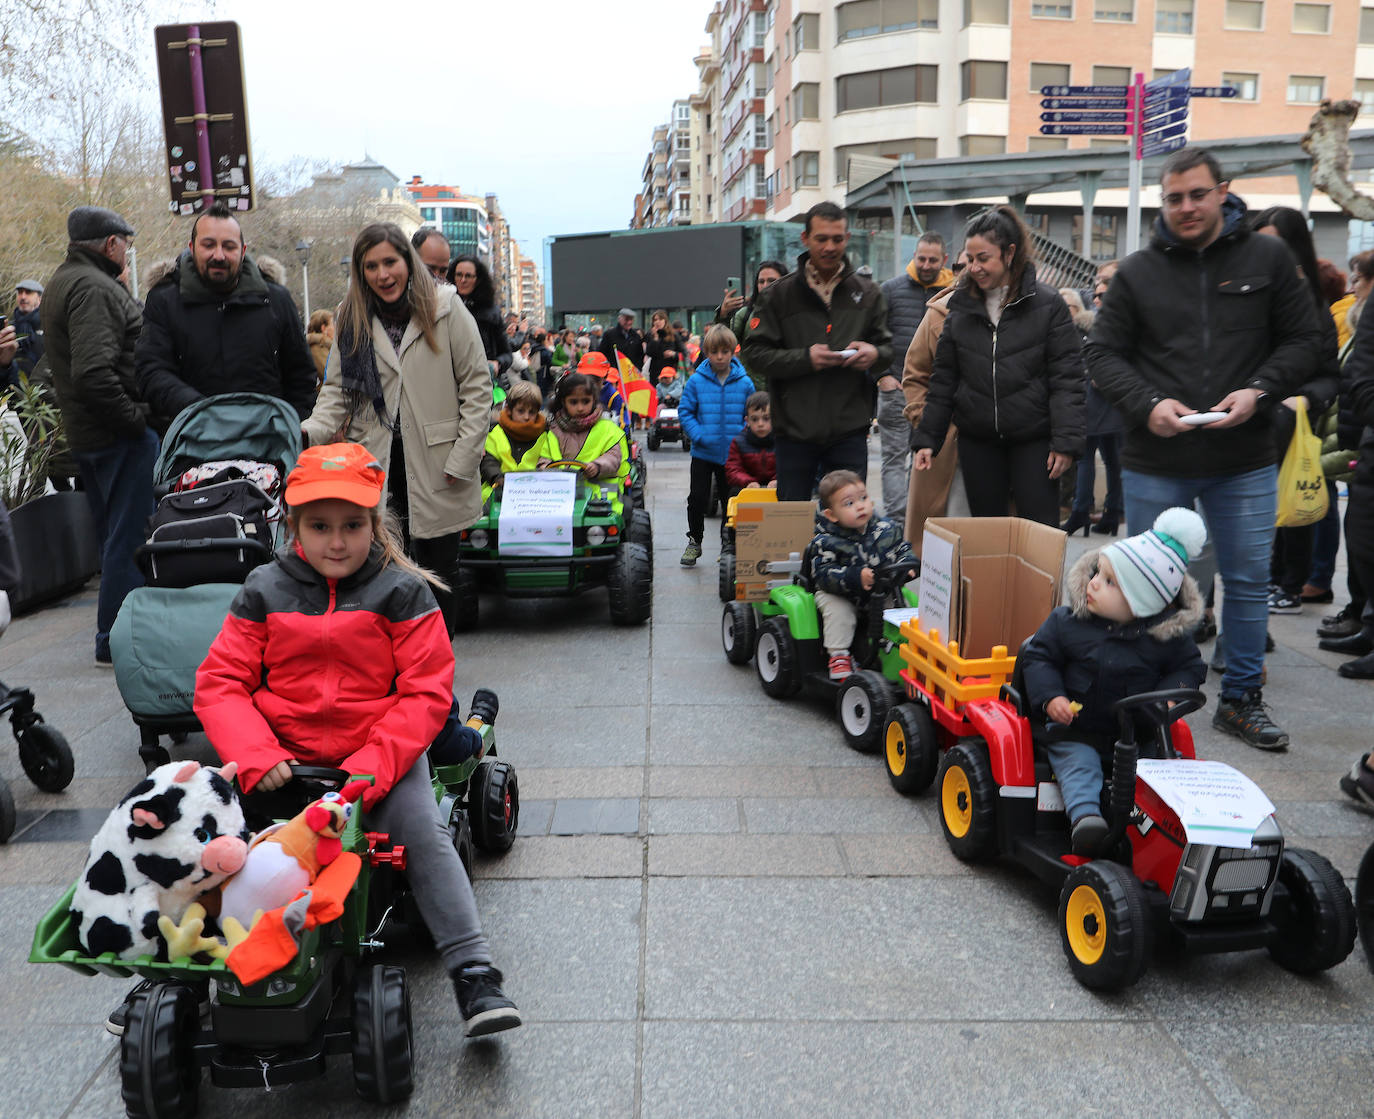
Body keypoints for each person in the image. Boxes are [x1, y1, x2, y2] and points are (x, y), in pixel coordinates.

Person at [194, 441, 521, 1037]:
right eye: (319, 526)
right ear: (293, 525)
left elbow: (425, 694)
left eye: (352, 526)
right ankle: (175, 970)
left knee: (422, 832)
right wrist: (259, 755)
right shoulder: (263, 589)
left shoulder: (402, 592)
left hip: (377, 763)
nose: (336, 542)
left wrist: (372, 766)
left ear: (376, 524)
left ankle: (474, 970)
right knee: (199, 835)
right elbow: (220, 684)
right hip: (281, 764)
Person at [1085, 147, 1322, 750]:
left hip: (1242, 455)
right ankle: (1153, 696)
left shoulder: (1267, 257)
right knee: (1151, 583)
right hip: (1156, 456)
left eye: (1197, 194)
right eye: (1173, 198)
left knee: (1245, 579)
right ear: (1160, 201)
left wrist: (1260, 391)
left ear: (1223, 191)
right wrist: (1148, 405)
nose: (1186, 207)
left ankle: (1241, 698)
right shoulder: (1137, 272)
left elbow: (1305, 340)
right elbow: (1102, 355)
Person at [303, 223, 491, 637]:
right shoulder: (350, 317)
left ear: (408, 261)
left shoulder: (446, 308)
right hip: (375, 465)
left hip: (439, 465)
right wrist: (308, 434)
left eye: (390, 261)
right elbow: (336, 393)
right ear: (360, 270)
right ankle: (394, 669)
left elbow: (478, 390)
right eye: (371, 266)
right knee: (377, 573)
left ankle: (437, 671)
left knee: (438, 574)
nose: (382, 274)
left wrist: (462, 459)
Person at [1020, 508, 1207, 853]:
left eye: (1108, 582)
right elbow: (1039, 657)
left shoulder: (1165, 637)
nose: (1093, 583)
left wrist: (1171, 697)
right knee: (1079, 767)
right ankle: (1086, 819)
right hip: (1078, 729)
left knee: (1163, 770)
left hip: (1140, 733)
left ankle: (1167, 831)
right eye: (1097, 573)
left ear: (1141, 605)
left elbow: (1190, 669)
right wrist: (1051, 698)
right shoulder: (1068, 622)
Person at [911, 205, 1084, 526]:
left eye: (983, 258)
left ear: (1009, 253)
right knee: (986, 532)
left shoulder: (1048, 305)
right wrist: (927, 439)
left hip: (1034, 441)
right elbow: (944, 380)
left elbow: (1068, 378)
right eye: (970, 259)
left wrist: (1066, 442)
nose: (974, 268)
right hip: (979, 442)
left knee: (1038, 531)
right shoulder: (960, 308)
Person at [41, 205, 155, 667]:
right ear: (111, 244)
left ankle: (118, 634)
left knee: (114, 535)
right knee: (129, 535)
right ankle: (116, 638)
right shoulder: (93, 287)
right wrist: (136, 420)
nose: (127, 249)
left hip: (91, 436)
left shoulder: (65, 280)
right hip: (116, 436)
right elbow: (92, 373)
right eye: (124, 241)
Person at [740, 202, 893, 500]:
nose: (829, 247)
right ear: (805, 238)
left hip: (849, 428)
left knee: (849, 520)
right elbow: (754, 354)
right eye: (821, 238)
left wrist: (873, 354)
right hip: (794, 430)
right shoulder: (778, 296)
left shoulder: (869, 294)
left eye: (837, 239)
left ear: (847, 238)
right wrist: (805, 359)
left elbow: (888, 348)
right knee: (792, 520)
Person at [135, 201, 318, 426]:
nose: (219, 255)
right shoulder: (164, 300)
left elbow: (301, 375)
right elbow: (152, 372)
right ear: (192, 248)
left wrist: (286, 427)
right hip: (192, 440)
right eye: (209, 245)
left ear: (242, 251)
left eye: (228, 246)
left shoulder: (277, 299)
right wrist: (204, 412)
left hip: (268, 442)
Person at [1246, 207, 1341, 618]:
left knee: (1293, 506)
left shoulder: (1310, 301)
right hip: (1246, 425)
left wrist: (1303, 399)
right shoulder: (1247, 293)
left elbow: (1328, 373)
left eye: (1277, 244)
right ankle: (1271, 580)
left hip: (1289, 423)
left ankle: (1290, 583)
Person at [809, 470, 918, 679]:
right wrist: (854, 577)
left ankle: (902, 650)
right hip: (840, 593)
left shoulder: (886, 529)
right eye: (849, 503)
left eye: (863, 498)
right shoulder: (825, 541)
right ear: (831, 515)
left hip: (880, 592)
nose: (860, 505)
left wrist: (909, 565)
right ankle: (838, 655)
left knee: (905, 606)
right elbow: (822, 574)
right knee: (838, 610)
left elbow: (903, 549)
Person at [879, 234, 954, 525]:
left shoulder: (952, 295)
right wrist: (882, 376)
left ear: (943, 260)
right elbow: (874, 336)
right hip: (895, 388)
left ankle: (920, 518)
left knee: (927, 458)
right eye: (921, 258)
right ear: (914, 255)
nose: (925, 265)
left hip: (935, 395)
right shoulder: (890, 290)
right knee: (894, 458)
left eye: (932, 260)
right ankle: (898, 522)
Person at [678, 324, 755, 566]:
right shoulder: (697, 381)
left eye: (725, 351)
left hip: (732, 455)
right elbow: (685, 411)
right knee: (697, 498)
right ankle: (695, 540)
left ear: (733, 352)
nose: (720, 357)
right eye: (714, 352)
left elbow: (752, 413)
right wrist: (697, 434)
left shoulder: (744, 383)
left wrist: (744, 437)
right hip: (703, 451)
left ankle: (727, 544)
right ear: (707, 353)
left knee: (729, 500)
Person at [1059, 287, 1124, 537]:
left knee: (1088, 458)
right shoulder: (1101, 325)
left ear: (1076, 309)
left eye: (1066, 307)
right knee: (1111, 459)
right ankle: (1110, 513)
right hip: (1107, 402)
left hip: (1092, 400)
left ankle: (1081, 512)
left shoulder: (1074, 330)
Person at [534, 372, 627, 484]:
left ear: (594, 400)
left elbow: (614, 457)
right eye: (573, 402)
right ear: (563, 402)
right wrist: (545, 467)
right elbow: (545, 456)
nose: (580, 408)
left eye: (586, 401)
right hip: (561, 492)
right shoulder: (554, 429)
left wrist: (597, 466)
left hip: (598, 496)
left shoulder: (607, 428)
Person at [447, 255, 511, 392]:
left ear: (478, 280)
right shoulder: (443, 306)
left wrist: (497, 364)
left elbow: (507, 354)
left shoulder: (491, 312)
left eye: (468, 276)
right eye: (459, 275)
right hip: (448, 385)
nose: (463, 280)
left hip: (482, 385)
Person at [480, 379, 546, 498]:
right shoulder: (495, 432)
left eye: (532, 412)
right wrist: (497, 478)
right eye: (521, 411)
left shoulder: (545, 435)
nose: (526, 417)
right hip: (497, 491)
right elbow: (488, 462)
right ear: (509, 410)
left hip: (534, 495)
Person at [724, 390, 776, 492]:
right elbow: (733, 469)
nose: (760, 424)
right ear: (747, 421)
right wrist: (748, 482)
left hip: (776, 489)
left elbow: (789, 467)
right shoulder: (738, 442)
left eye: (766, 418)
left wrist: (778, 479)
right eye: (755, 419)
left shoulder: (782, 442)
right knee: (734, 491)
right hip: (748, 489)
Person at [1, 279, 45, 389]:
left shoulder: (50, 327)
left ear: (39, 298)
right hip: (14, 396)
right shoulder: (9, 330)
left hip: (44, 398)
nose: (23, 297)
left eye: (28, 292)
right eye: (20, 292)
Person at [599, 308, 644, 373]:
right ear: (619, 319)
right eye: (626, 319)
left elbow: (640, 355)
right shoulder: (609, 335)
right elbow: (602, 354)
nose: (629, 322)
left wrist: (637, 369)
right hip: (614, 374)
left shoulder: (636, 336)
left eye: (631, 319)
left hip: (631, 374)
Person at [645, 310, 680, 385]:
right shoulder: (650, 334)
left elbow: (682, 352)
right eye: (655, 320)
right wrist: (655, 338)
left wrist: (673, 354)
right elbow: (649, 352)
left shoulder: (673, 334)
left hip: (670, 370)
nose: (657, 322)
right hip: (656, 371)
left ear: (665, 321)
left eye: (660, 319)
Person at [306, 308, 334, 389]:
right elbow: (330, 375)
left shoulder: (324, 346)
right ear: (324, 328)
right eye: (333, 324)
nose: (336, 327)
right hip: (323, 397)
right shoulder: (316, 348)